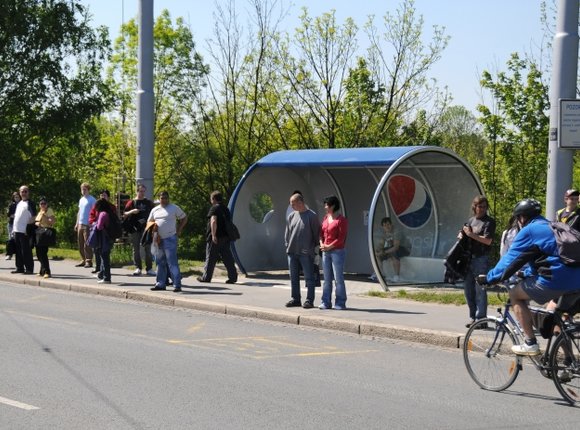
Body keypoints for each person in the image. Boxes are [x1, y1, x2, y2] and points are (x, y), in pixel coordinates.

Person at [487, 198, 580, 355]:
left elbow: (510, 260)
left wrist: (489, 278)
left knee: (515, 294)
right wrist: (526, 273)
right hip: (577, 280)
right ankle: (569, 364)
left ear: (522, 217)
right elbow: (551, 258)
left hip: (556, 280)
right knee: (556, 318)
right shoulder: (552, 225)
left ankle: (530, 342)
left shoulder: (529, 230)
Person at [462, 195, 496, 328]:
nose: (481, 209)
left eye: (483, 206)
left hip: (481, 259)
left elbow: (488, 240)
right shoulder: (471, 220)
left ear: (486, 208)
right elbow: (466, 236)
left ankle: (481, 319)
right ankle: (473, 317)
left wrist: (471, 235)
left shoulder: (489, 222)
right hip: (468, 258)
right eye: (478, 206)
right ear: (474, 207)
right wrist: (462, 235)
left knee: (480, 290)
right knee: (468, 289)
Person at [284, 192, 320, 309]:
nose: (292, 206)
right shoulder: (291, 216)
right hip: (292, 252)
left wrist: (312, 248)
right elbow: (287, 233)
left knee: (309, 277)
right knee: (293, 277)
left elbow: (316, 234)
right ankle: (296, 299)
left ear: (300, 202)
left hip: (306, 253)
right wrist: (287, 245)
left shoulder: (312, 216)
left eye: (293, 204)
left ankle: (309, 300)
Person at [148, 191, 187, 293]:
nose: (164, 200)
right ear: (159, 199)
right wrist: (154, 232)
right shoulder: (154, 210)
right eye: (162, 198)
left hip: (170, 238)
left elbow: (184, 218)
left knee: (172, 262)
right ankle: (160, 284)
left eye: (165, 198)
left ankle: (177, 285)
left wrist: (179, 230)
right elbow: (149, 223)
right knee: (160, 262)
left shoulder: (174, 208)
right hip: (158, 239)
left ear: (168, 198)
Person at [197, 191, 238, 284]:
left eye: (211, 199)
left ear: (214, 199)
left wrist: (214, 235)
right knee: (228, 258)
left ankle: (206, 277)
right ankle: (233, 277)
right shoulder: (226, 209)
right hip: (226, 237)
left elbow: (213, 221)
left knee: (210, 258)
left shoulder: (214, 208)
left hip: (216, 237)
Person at [319, 195, 348, 310]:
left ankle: (340, 302)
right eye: (325, 204)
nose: (325, 207)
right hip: (326, 251)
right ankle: (325, 302)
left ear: (334, 206)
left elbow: (341, 238)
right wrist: (322, 244)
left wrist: (329, 246)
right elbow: (321, 233)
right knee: (326, 279)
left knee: (338, 278)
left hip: (337, 252)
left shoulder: (341, 220)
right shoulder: (326, 218)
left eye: (327, 205)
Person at [123, 183, 155, 276]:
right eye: (140, 191)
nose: (142, 193)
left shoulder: (148, 202)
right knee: (135, 249)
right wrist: (132, 211)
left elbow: (154, 212)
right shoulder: (131, 202)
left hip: (146, 228)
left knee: (148, 248)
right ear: (137, 191)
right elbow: (124, 214)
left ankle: (149, 268)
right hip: (134, 228)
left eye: (144, 191)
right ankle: (138, 267)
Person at [89, 189, 116, 277]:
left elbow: (99, 226)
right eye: (101, 195)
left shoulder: (105, 211)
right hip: (104, 234)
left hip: (105, 234)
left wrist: (96, 224)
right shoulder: (100, 208)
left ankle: (106, 276)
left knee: (104, 255)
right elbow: (91, 216)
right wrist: (93, 222)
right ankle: (101, 272)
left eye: (104, 195)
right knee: (101, 254)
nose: (102, 197)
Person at [373, 217, 409, 283]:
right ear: (382, 227)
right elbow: (381, 243)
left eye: (388, 224)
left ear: (391, 224)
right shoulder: (384, 233)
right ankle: (380, 274)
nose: (386, 226)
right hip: (393, 248)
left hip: (405, 248)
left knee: (393, 252)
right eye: (384, 225)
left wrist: (383, 252)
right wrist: (378, 251)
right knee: (376, 253)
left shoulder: (396, 231)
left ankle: (397, 277)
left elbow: (396, 247)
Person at [11, 185, 36, 274]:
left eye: (25, 191)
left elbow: (33, 217)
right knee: (18, 251)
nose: (24, 193)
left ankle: (29, 269)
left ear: (28, 192)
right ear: (20, 192)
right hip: (17, 230)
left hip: (24, 231)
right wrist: (13, 230)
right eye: (22, 191)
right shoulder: (20, 203)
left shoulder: (30, 203)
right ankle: (19, 268)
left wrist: (28, 228)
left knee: (26, 251)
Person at [93, 198, 115, 284]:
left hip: (104, 238)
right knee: (105, 257)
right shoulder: (109, 212)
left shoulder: (102, 214)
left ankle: (107, 278)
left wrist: (95, 223)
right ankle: (102, 274)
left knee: (105, 258)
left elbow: (99, 227)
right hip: (110, 237)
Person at [74, 182, 96, 268]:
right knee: (80, 242)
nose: (83, 191)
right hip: (80, 223)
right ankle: (83, 259)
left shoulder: (92, 200)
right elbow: (79, 212)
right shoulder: (81, 199)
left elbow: (94, 212)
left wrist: (92, 223)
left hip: (88, 224)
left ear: (88, 190)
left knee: (87, 243)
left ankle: (89, 260)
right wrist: (77, 223)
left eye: (85, 189)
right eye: (82, 189)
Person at [35, 197, 55, 278]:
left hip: (45, 233)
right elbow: (37, 221)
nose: (42, 205)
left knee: (43, 253)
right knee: (38, 253)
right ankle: (42, 270)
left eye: (44, 203)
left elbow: (52, 222)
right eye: (41, 203)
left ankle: (47, 271)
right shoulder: (40, 211)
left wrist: (45, 217)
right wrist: (37, 223)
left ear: (47, 204)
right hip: (39, 232)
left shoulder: (49, 211)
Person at [5, 191, 20, 260]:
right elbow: (8, 214)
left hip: (19, 224)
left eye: (18, 197)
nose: (16, 198)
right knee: (11, 239)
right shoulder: (11, 205)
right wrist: (14, 216)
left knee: (18, 240)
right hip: (11, 224)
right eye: (15, 197)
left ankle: (19, 254)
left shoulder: (22, 204)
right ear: (13, 198)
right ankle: (9, 254)